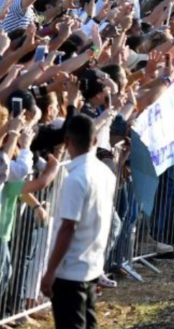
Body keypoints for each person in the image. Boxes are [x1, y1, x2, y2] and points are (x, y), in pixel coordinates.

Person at [39, 114, 117, 329]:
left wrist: (51, 271)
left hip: (71, 270)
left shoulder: (75, 178)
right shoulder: (105, 173)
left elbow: (67, 227)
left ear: (67, 142)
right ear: (95, 141)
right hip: (91, 264)